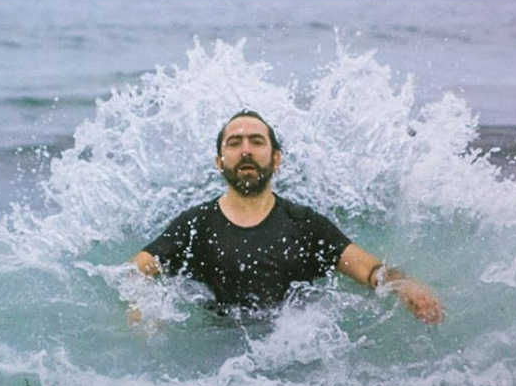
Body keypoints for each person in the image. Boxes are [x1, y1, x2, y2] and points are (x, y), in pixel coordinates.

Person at [129, 110, 444, 324]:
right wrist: (143, 305)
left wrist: (405, 285)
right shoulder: (196, 225)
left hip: (292, 353)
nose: (246, 150)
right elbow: (136, 270)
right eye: (234, 143)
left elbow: (370, 270)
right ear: (219, 161)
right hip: (218, 352)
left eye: (257, 142)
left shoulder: (305, 225)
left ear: (276, 159)